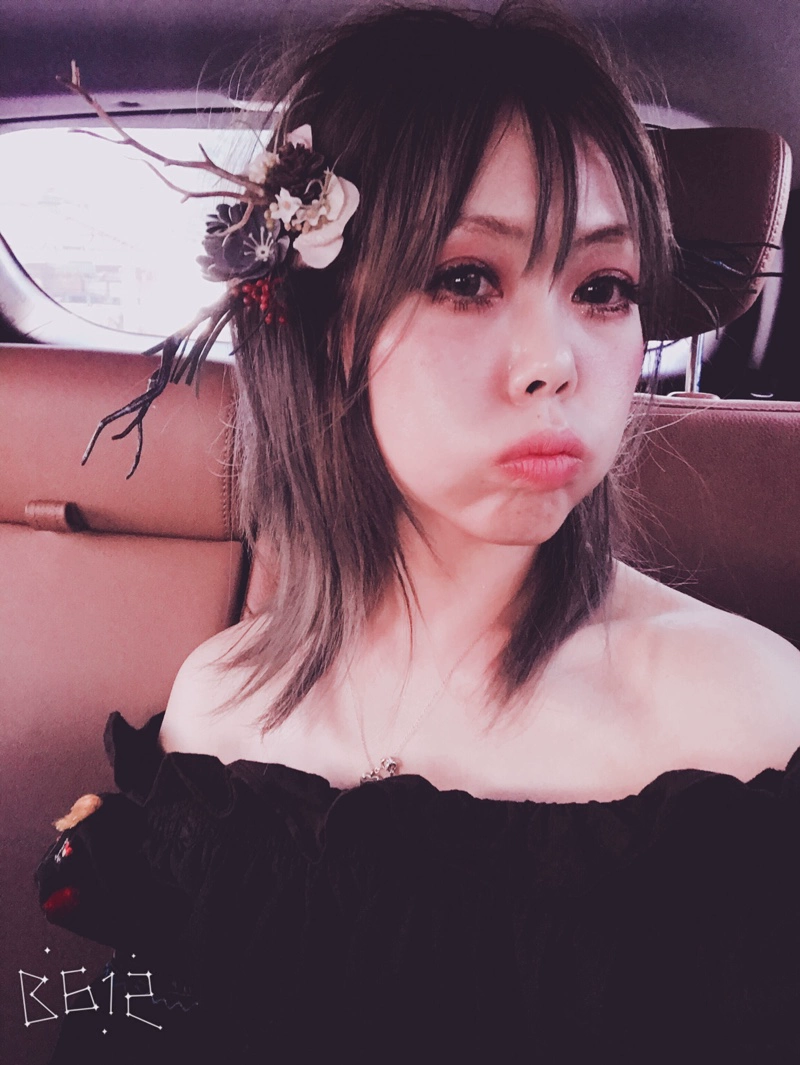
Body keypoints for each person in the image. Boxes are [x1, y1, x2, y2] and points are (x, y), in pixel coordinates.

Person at [36, 2, 800, 1062]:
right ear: (322, 328)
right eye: (464, 278)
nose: (555, 362)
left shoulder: (751, 723)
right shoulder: (217, 704)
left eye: (603, 288)